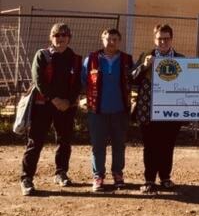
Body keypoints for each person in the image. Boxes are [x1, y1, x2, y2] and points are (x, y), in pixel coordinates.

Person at [20, 23, 82, 196]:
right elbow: (38, 81)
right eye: (56, 35)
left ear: (69, 37)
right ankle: (27, 178)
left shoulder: (76, 59)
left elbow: (78, 83)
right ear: (51, 37)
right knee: (35, 142)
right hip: (43, 106)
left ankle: (61, 173)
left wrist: (68, 102)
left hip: (66, 107)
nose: (60, 38)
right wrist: (54, 99)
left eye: (64, 35)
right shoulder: (42, 55)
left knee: (64, 141)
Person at [132, 24, 185, 194]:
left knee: (167, 145)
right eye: (159, 38)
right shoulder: (145, 56)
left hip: (171, 111)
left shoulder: (181, 59)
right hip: (148, 109)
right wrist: (144, 66)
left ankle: (165, 177)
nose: (163, 42)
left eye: (166, 38)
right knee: (150, 146)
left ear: (171, 39)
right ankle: (149, 179)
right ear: (154, 39)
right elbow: (132, 79)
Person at [82, 28, 133, 192]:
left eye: (115, 39)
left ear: (119, 41)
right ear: (102, 40)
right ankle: (98, 176)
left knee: (119, 145)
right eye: (108, 39)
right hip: (97, 111)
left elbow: (134, 79)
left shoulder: (127, 59)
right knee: (98, 145)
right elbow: (83, 80)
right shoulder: (91, 59)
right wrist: (83, 98)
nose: (111, 42)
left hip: (120, 110)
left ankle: (118, 174)